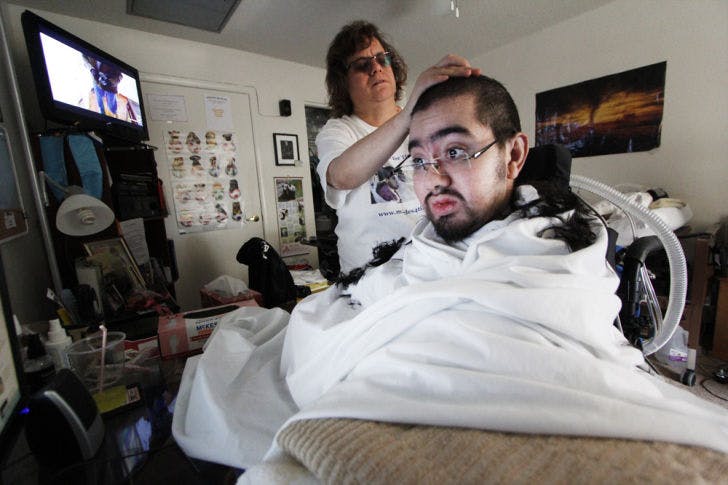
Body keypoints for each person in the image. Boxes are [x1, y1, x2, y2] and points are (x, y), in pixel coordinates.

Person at [173, 75, 728, 472]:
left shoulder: (555, 256)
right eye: (419, 159)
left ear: (513, 157)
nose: (432, 179)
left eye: (457, 151)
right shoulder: (417, 242)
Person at [316, 21, 480, 273]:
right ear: (343, 81)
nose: (376, 68)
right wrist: (407, 116)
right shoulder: (338, 131)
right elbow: (340, 176)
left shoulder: (425, 122)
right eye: (362, 64)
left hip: (426, 267)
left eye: (382, 59)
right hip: (367, 280)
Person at [82, 56, 141, 124]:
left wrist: (111, 81)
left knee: (111, 103)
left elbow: (120, 76)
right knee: (99, 101)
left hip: (110, 86)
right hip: (96, 82)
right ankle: (102, 115)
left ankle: (114, 115)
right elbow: (84, 58)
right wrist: (91, 69)